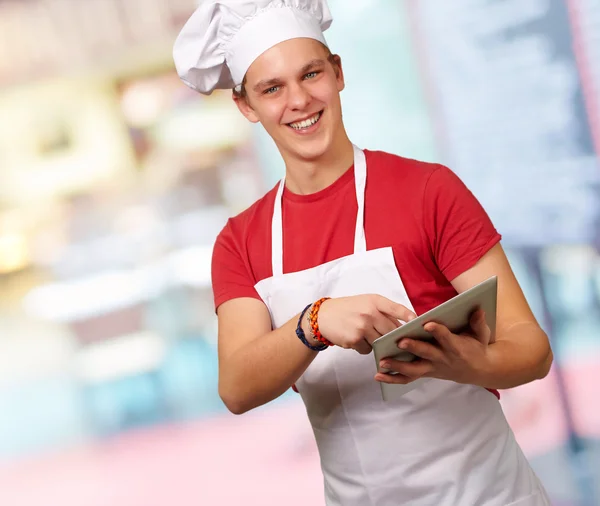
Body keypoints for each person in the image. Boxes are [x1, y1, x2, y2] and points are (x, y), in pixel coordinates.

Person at [173, 1, 553, 504]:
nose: (300, 101)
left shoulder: (429, 191)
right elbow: (238, 387)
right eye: (272, 88)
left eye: (311, 74)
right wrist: (315, 322)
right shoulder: (242, 241)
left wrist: (463, 363)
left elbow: (531, 348)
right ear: (246, 106)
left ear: (338, 73)